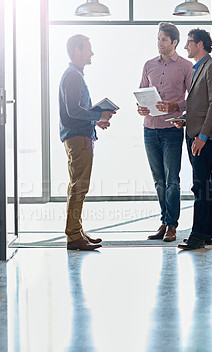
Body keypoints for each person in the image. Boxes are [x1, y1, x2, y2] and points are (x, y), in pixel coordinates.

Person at [166, 28, 212, 250]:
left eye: (189, 43)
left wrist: (202, 136)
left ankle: (198, 235)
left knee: (200, 186)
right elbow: (199, 105)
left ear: (200, 44)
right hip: (195, 132)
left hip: (204, 136)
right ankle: (210, 233)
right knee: (206, 184)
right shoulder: (198, 69)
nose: (185, 47)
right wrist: (184, 119)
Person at [59, 34, 116, 251]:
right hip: (78, 138)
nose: (91, 53)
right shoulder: (73, 76)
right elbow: (73, 111)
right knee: (79, 187)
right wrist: (97, 117)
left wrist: (96, 122)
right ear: (77, 51)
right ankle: (74, 235)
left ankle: (77, 230)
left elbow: (75, 110)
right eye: (88, 49)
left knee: (77, 186)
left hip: (80, 135)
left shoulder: (74, 75)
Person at [137, 22, 193, 242]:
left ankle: (172, 225)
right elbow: (141, 92)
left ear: (174, 42)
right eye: (158, 39)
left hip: (171, 130)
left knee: (172, 180)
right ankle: (164, 221)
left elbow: (193, 99)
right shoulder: (148, 65)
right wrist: (140, 108)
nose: (159, 43)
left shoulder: (186, 66)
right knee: (159, 181)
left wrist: (175, 106)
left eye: (163, 39)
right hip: (149, 129)